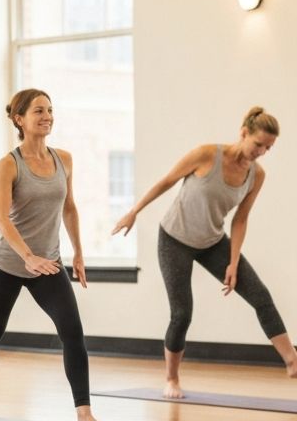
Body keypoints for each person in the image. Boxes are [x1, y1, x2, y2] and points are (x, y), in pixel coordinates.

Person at [112, 106, 296, 398]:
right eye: (258, 144)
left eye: (268, 147)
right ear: (244, 132)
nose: (261, 151)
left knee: (261, 296)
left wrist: (234, 262)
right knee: (182, 313)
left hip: (212, 242)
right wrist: (134, 211)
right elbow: (166, 181)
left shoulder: (256, 176)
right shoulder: (207, 155)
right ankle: (171, 379)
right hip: (174, 239)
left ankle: (291, 360)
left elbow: (241, 219)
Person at [0, 89, 116, 421]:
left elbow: (70, 207)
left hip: (48, 264)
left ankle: (84, 415)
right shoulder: (10, 164)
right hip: (6, 262)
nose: (46, 115)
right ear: (20, 119)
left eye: (50, 109)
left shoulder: (64, 159)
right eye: (38, 111)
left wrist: (78, 252)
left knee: (73, 331)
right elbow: (2, 219)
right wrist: (26, 256)